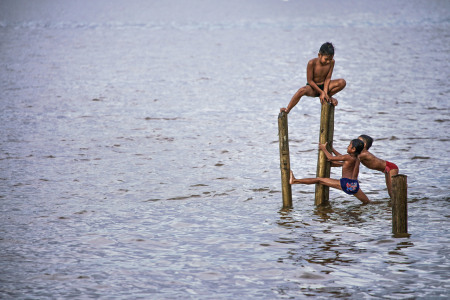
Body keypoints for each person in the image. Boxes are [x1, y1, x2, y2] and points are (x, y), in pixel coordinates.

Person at [290, 139, 370, 204]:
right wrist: (332, 149)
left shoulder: (348, 157)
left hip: (346, 184)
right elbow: (341, 157)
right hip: (354, 185)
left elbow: (331, 158)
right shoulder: (357, 158)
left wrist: (323, 148)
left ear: (353, 149)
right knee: (367, 202)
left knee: (319, 180)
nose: (347, 147)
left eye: (349, 145)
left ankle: (295, 181)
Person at [280, 42, 346, 114]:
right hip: (313, 87)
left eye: (330, 59)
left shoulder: (332, 62)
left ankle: (328, 96)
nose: (328, 62)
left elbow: (328, 78)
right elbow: (310, 81)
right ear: (319, 55)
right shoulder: (312, 63)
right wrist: (321, 92)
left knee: (342, 82)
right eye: (326, 59)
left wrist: (325, 92)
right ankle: (288, 109)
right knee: (301, 91)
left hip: (325, 86)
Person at [357, 135, 399, 199]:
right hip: (386, 169)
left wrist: (337, 160)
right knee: (390, 193)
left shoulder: (364, 154)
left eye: (359, 141)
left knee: (392, 191)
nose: (356, 142)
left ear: (364, 145)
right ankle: (391, 204)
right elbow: (348, 159)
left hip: (391, 167)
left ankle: (398, 203)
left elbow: (348, 159)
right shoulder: (359, 154)